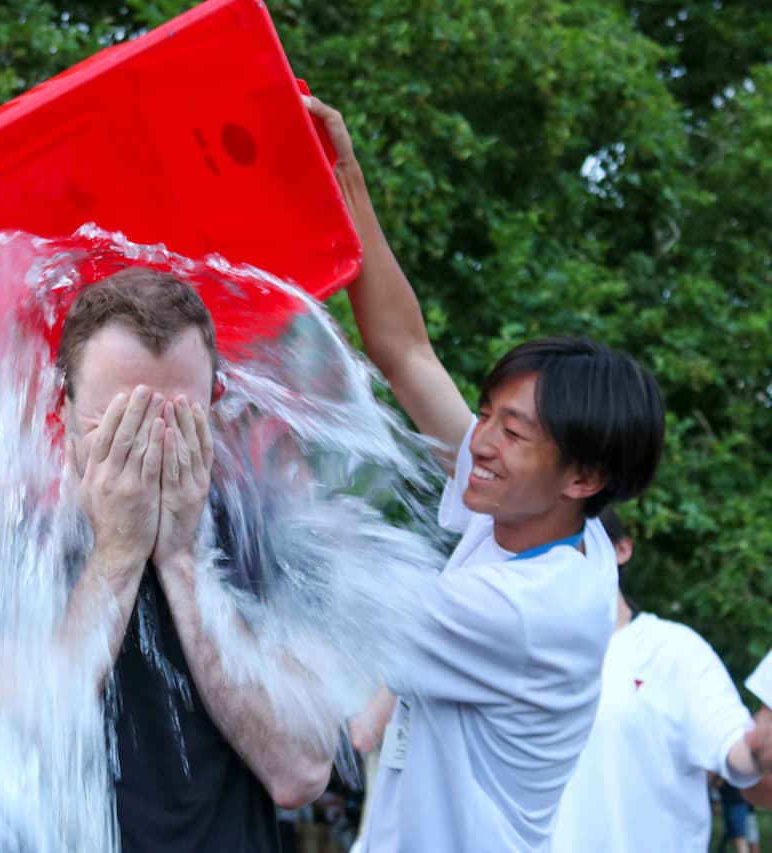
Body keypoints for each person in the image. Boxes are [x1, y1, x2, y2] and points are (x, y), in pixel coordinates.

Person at [304, 95, 666, 851]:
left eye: (515, 430)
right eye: (488, 413)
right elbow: (407, 352)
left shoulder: (529, 610)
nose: (483, 442)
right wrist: (344, 175)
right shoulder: (548, 521)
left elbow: (318, 586)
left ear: (583, 477)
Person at [55, 268, 335, 852]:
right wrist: (119, 551)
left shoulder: (269, 537)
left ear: (216, 406)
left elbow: (302, 771)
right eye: (118, 423)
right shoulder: (9, 542)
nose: (149, 450)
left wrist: (184, 560)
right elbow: (10, 746)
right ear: (64, 409)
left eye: (179, 421)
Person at [550, 508, 771, 851]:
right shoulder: (513, 656)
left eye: (571, 543)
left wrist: (762, 746)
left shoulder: (674, 651)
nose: (556, 562)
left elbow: (742, 757)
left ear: (621, 549)